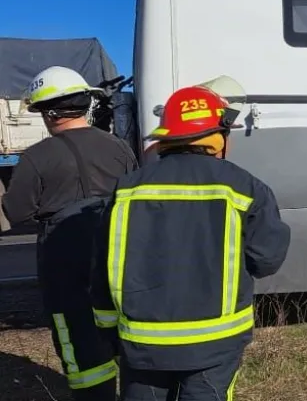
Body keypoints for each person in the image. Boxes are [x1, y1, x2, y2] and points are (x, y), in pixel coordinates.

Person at [90, 83, 291, 401]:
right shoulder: (245, 187)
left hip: (142, 344)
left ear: (166, 138)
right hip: (216, 343)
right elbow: (266, 260)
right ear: (218, 137)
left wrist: (108, 332)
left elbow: (102, 267)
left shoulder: (126, 189)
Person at [1, 66, 138, 400]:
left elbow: (16, 211)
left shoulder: (37, 156)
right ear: (85, 103)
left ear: (49, 113)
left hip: (63, 256)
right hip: (118, 250)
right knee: (123, 327)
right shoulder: (118, 147)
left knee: (76, 330)